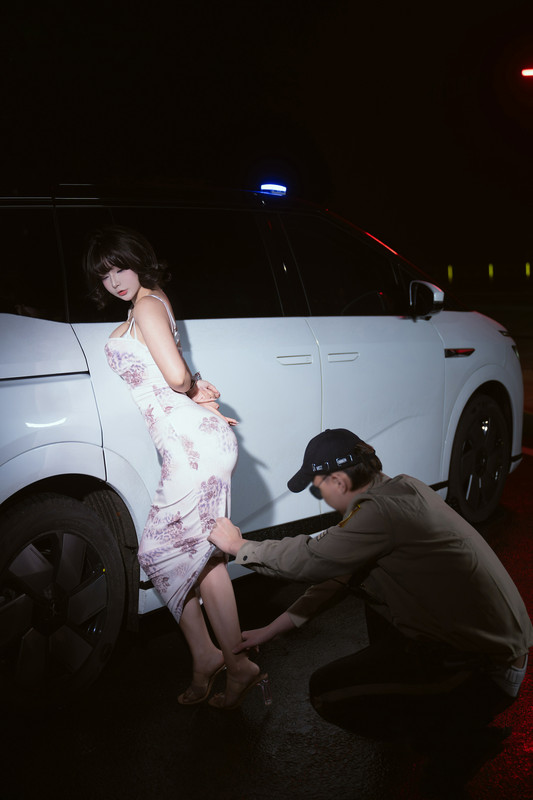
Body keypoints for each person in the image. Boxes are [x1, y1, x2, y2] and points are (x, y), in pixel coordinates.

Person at [209, 428, 532, 786]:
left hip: (486, 670)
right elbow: (336, 578)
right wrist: (271, 630)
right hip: (495, 651)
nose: (320, 496)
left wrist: (239, 547)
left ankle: (457, 742)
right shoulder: (402, 488)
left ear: (339, 481)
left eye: (318, 487)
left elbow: (312, 559)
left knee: (328, 693)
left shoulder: (380, 515)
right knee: (371, 592)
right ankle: (433, 708)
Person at [84, 225, 270, 710]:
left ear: (137, 261)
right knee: (205, 557)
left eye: (120, 268)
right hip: (190, 442)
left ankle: (222, 659)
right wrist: (196, 389)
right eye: (104, 275)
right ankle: (221, 661)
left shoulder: (147, 305)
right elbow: (178, 369)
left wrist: (191, 389)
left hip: (193, 446)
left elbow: (174, 374)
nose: (114, 281)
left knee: (157, 552)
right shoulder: (147, 304)